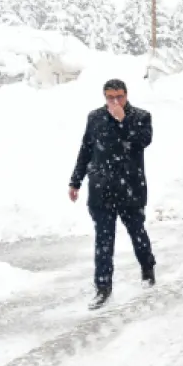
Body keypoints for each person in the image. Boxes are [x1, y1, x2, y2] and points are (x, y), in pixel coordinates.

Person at [68, 79, 156, 310]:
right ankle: (102, 286)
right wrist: (76, 180)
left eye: (119, 96)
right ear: (104, 97)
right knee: (103, 241)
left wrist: (123, 120)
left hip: (130, 187)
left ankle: (148, 269)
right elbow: (86, 149)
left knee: (138, 233)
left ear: (127, 95)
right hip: (101, 189)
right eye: (110, 97)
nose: (115, 101)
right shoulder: (95, 117)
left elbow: (142, 141)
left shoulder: (140, 116)